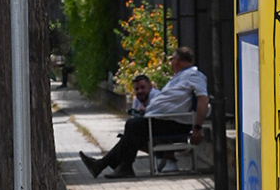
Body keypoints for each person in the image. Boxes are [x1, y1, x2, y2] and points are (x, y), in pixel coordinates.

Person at [80, 47, 209, 179]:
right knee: (130, 133)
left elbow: (203, 100)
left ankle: (119, 167)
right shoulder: (178, 77)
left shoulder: (195, 76)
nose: (170, 62)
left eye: (172, 59)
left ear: (177, 61)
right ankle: (107, 166)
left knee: (132, 126)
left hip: (175, 123)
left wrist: (197, 129)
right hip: (162, 120)